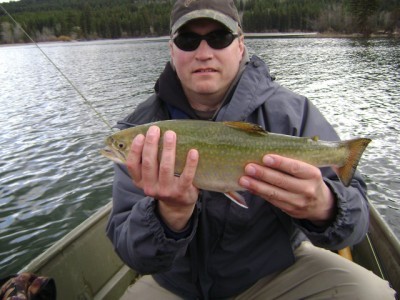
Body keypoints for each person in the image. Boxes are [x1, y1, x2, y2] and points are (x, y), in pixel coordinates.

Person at [106, 0, 396, 299]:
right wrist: (169, 215)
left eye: (219, 38)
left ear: (240, 46)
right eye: (188, 40)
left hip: (277, 274)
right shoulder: (142, 130)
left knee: (373, 294)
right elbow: (133, 254)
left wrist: (324, 206)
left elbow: (356, 226)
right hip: (175, 285)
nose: (203, 53)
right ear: (171, 50)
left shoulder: (292, 113)